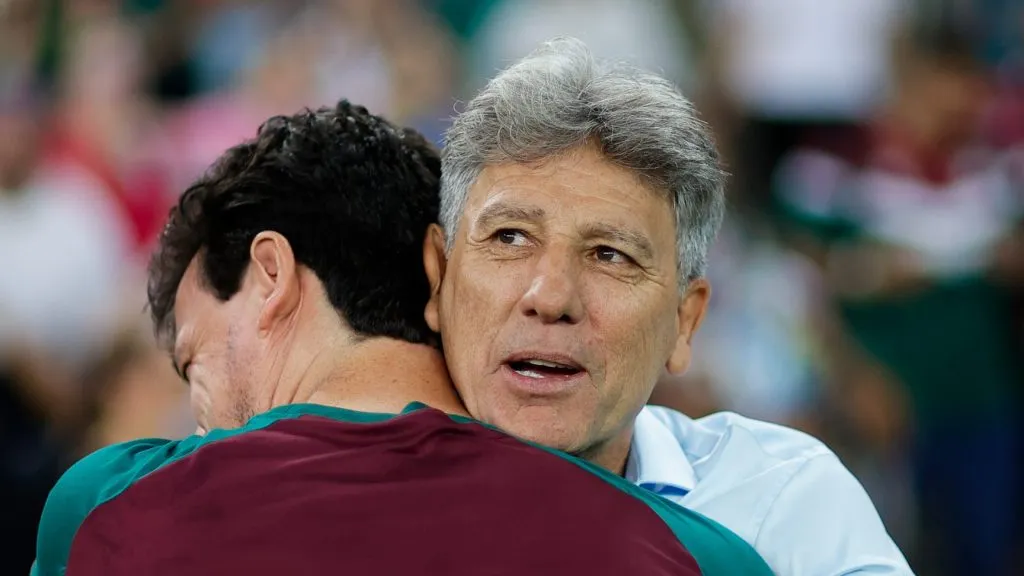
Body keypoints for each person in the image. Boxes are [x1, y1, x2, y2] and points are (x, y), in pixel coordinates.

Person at [32, 101, 771, 576]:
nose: (198, 420)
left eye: (195, 364)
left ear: (270, 275)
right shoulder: (697, 555)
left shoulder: (110, 506)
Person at [422, 37, 913, 575]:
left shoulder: (786, 507)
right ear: (438, 277)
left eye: (610, 255)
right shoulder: (345, 496)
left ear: (685, 322)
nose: (551, 297)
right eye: (511, 237)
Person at [774, 26, 1022, 576]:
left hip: (983, 400)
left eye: (975, 87)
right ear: (910, 80)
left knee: (984, 554)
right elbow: (791, 281)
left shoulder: (995, 166)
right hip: (881, 405)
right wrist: (850, 374)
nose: (966, 102)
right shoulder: (834, 165)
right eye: (952, 85)